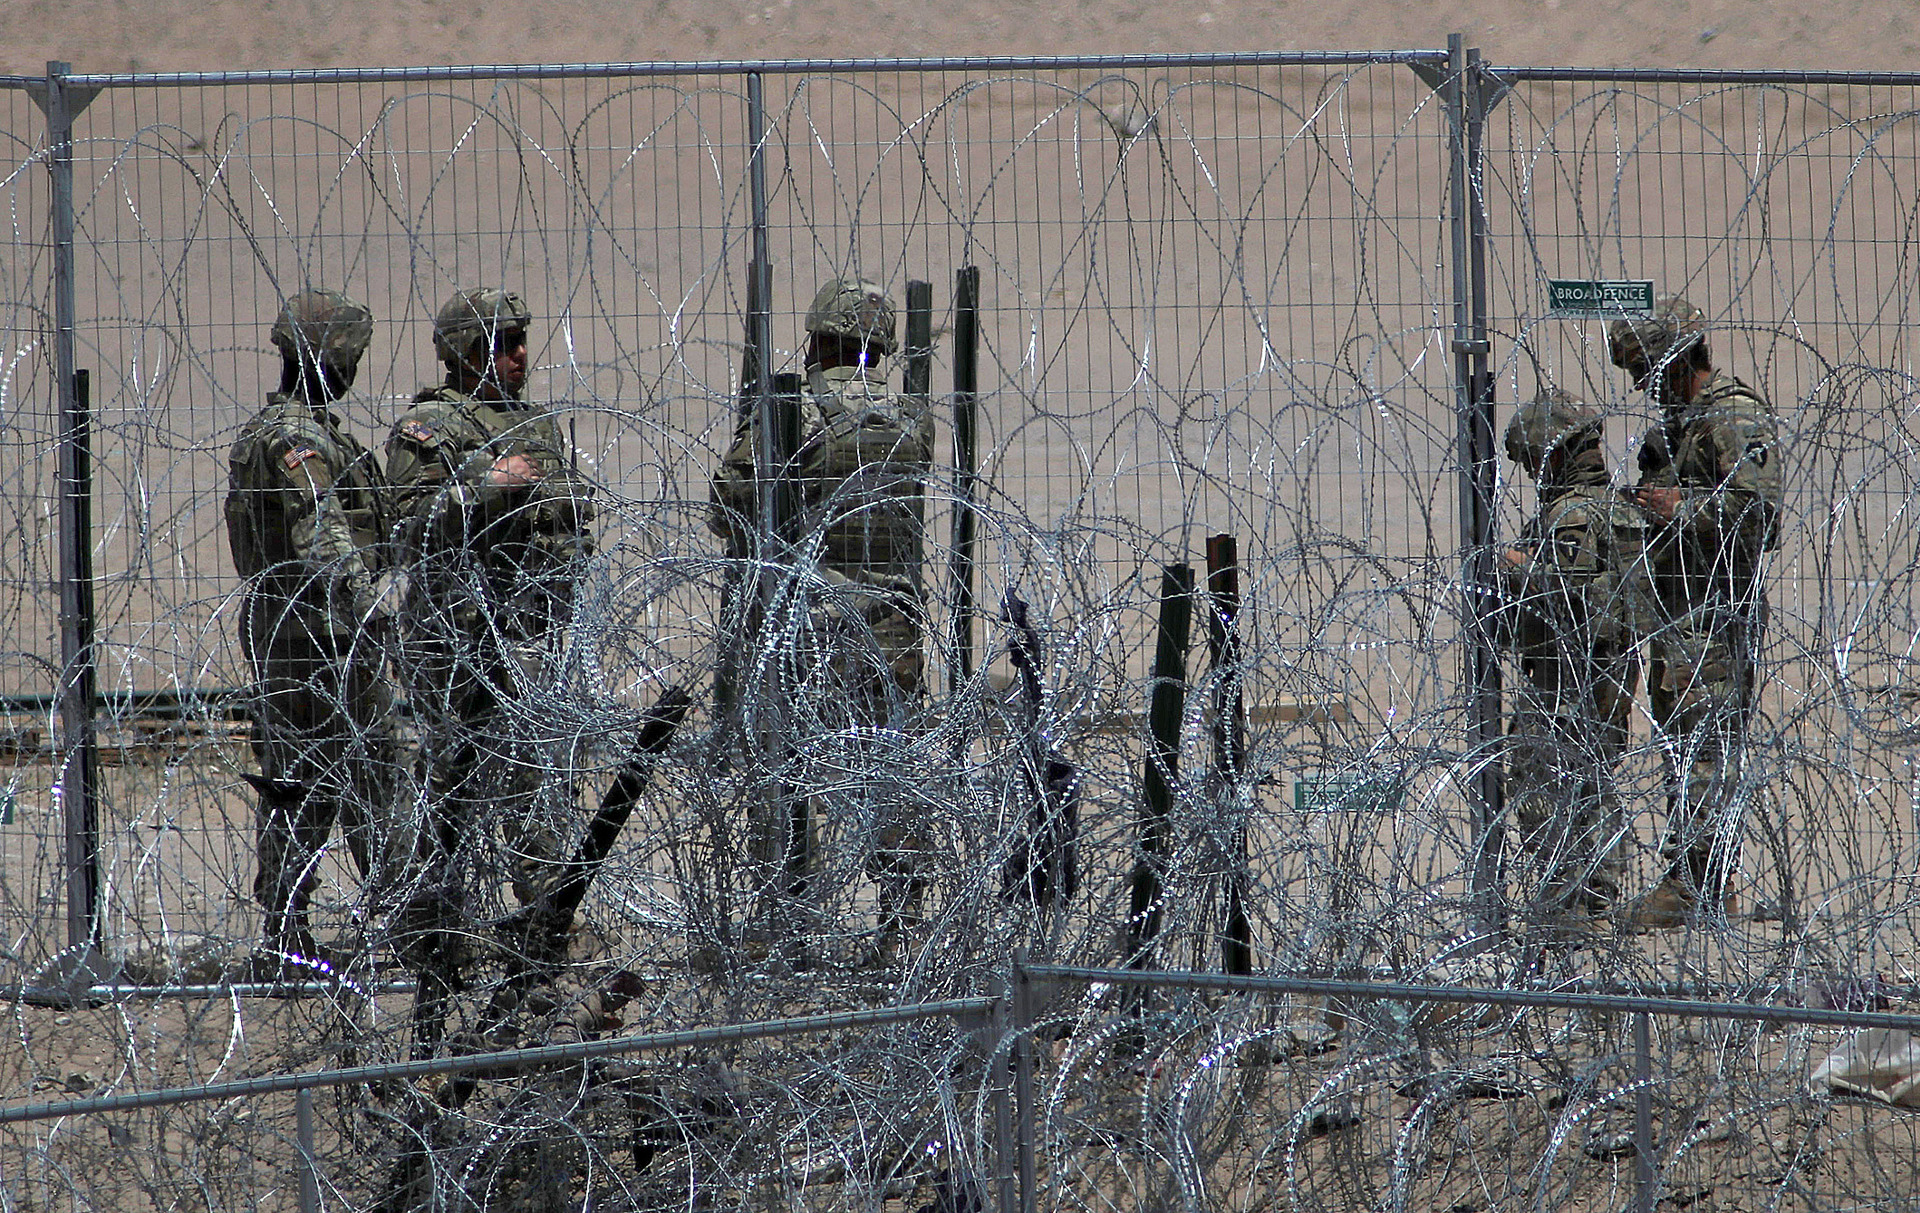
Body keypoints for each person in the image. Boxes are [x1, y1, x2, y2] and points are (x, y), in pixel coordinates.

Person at [385, 287, 594, 1048]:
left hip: (526, 634)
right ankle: (431, 932)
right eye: (504, 341)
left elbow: (568, 515)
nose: (519, 355)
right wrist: (483, 485)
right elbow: (403, 521)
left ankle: (536, 934)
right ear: (468, 351)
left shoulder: (532, 423)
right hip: (455, 639)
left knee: (535, 784)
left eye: (522, 339)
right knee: (451, 789)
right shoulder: (429, 427)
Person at [708, 277, 936, 958]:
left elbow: (729, 505)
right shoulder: (908, 417)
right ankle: (900, 922)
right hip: (892, 623)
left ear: (819, 337)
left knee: (788, 767)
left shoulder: (795, 409)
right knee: (887, 767)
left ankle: (788, 922)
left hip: (811, 619)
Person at [224, 287, 392, 962]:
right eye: (350, 356)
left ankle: (291, 930)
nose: (355, 368)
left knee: (308, 781)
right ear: (330, 358)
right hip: (319, 637)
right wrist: (369, 601)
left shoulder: (295, 430)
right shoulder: (298, 439)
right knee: (352, 776)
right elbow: (319, 531)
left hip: (300, 631)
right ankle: (333, 928)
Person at [1609, 295, 1783, 929]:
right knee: (1685, 749)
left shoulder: (1733, 417)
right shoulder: (1681, 426)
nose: (1643, 390)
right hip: (1681, 611)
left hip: (1716, 611)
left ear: (1677, 363)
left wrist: (1679, 508)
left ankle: (1701, 887)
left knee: (1706, 751)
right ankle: (1695, 876)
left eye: (1646, 375)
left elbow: (1760, 516)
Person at [1498, 388, 1652, 934]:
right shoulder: (1622, 508)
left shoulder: (1572, 515)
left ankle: (1565, 908)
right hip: (1616, 669)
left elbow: (1565, 591)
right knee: (1594, 782)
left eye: (1535, 462)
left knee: (1542, 778)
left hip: (1567, 671)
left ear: (1555, 456)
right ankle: (1598, 900)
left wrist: (1510, 564)